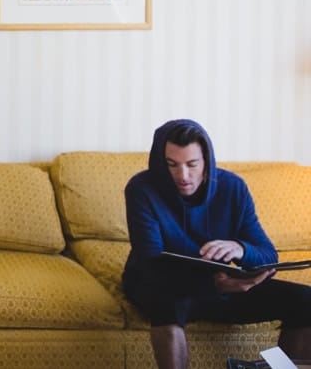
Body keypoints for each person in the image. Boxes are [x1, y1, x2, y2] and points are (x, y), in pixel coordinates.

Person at [123, 118, 311, 369]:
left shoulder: (233, 188)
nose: (183, 175)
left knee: (305, 300)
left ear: (207, 161)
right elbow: (151, 262)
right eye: (172, 165)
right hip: (163, 284)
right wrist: (215, 287)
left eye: (192, 164)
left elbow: (267, 254)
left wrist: (240, 248)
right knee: (166, 303)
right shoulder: (141, 189)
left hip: (224, 283)